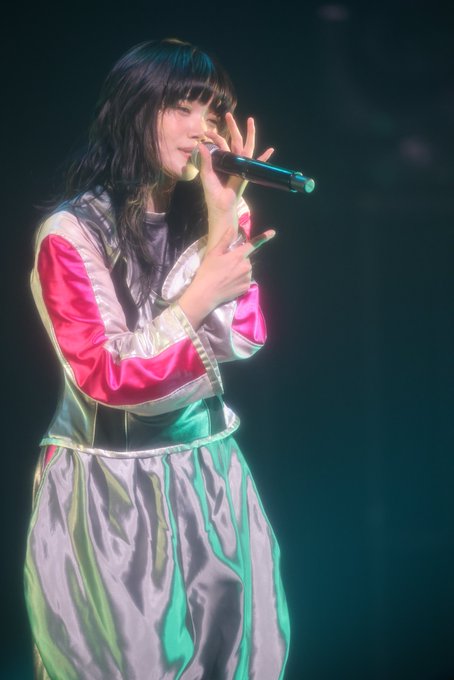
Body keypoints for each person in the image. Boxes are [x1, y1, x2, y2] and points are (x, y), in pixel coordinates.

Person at [24, 38, 290, 680]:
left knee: (240, 659)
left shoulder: (208, 214)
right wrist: (197, 297)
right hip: (111, 492)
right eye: (183, 108)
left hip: (209, 475)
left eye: (213, 111)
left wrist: (225, 218)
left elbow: (242, 339)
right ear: (134, 111)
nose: (202, 129)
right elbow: (107, 374)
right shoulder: (70, 235)